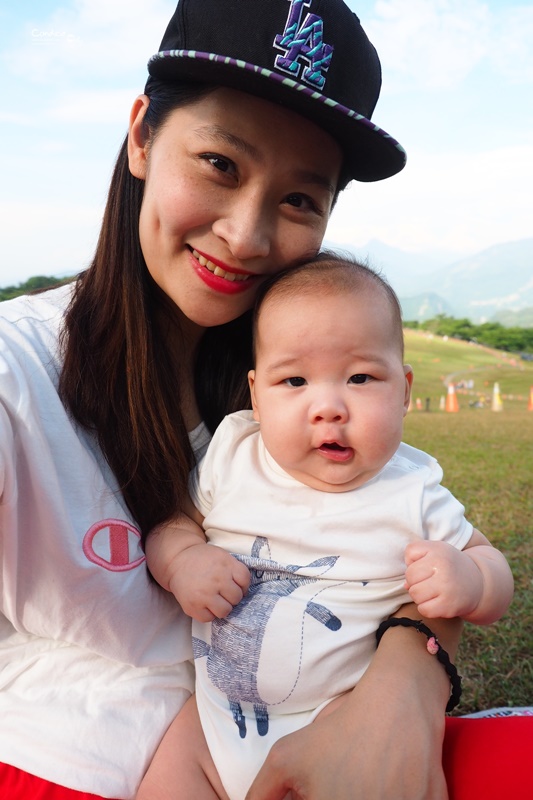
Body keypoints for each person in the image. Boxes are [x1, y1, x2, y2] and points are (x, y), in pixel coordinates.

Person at [0, 1, 528, 799]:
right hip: (104, 758)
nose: (246, 237)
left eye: (298, 200)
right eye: (219, 163)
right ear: (142, 132)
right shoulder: (18, 376)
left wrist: (406, 681)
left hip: (328, 737)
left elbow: (418, 553)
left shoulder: (294, 397)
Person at [139, 254, 514, 800]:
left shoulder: (412, 493)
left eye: (361, 377)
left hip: (344, 727)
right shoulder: (234, 455)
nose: (328, 407)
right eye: (294, 380)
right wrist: (181, 562)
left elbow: (492, 568)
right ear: (255, 396)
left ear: (405, 391)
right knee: (167, 776)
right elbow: (173, 522)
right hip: (214, 723)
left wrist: (473, 580)